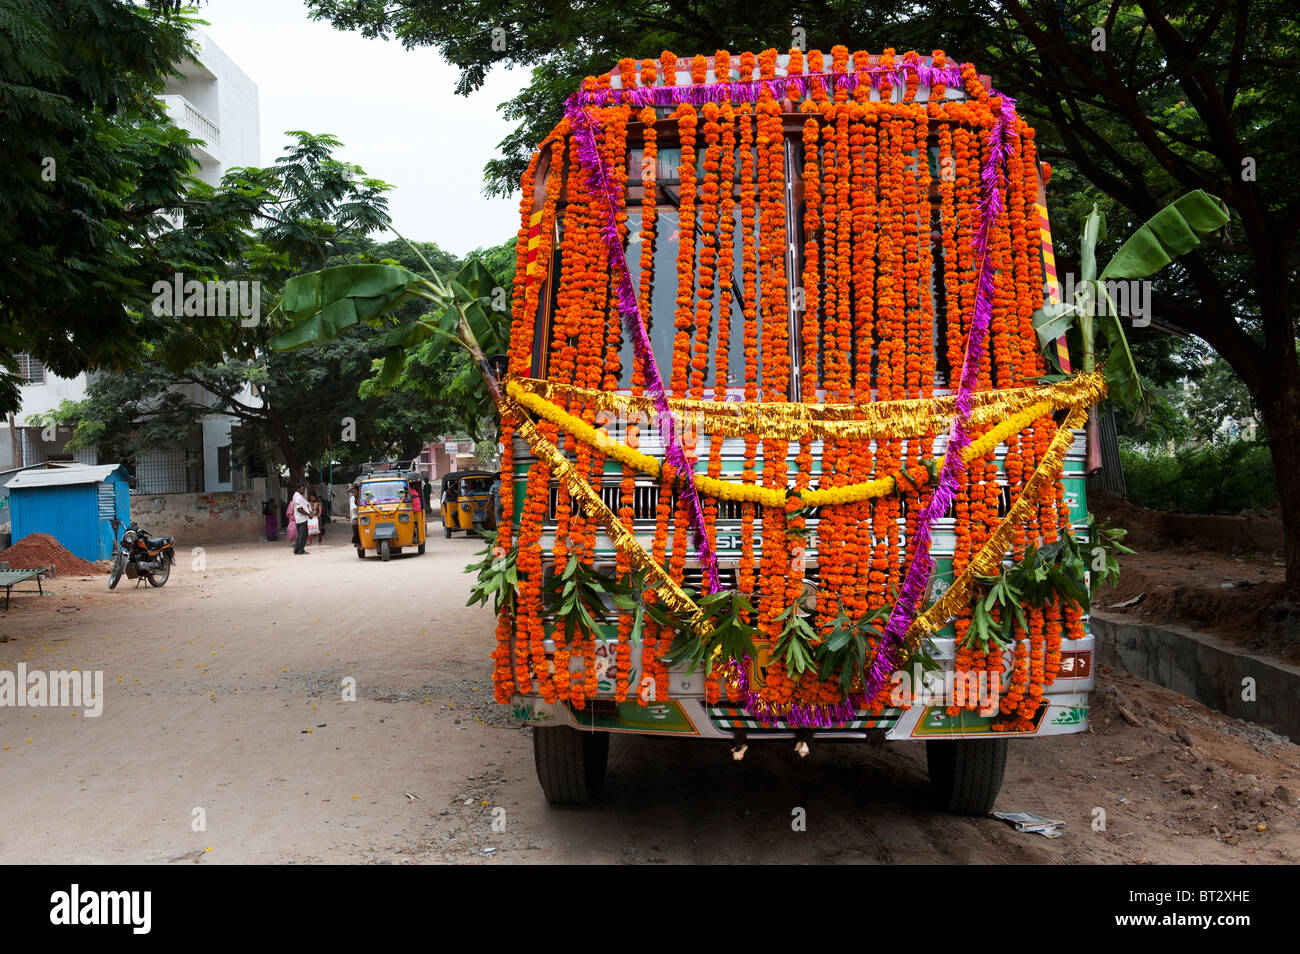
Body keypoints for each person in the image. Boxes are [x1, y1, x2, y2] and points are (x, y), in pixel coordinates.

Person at [290, 483, 313, 554]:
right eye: (302, 489)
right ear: (298, 489)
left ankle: (296, 550)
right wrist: (308, 514)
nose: (303, 491)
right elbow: (299, 509)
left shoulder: (297, 496)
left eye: (304, 489)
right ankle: (300, 550)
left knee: (300, 535)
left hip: (300, 518)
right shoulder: (298, 497)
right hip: (301, 518)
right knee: (302, 535)